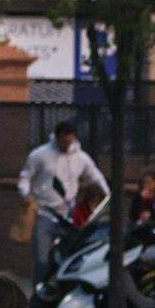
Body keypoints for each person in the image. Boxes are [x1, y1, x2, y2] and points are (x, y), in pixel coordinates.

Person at [18, 116, 106, 271]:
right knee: (42, 259)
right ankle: (40, 283)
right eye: (64, 141)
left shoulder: (81, 158)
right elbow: (25, 177)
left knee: (70, 256)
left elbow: (95, 176)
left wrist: (106, 193)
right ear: (57, 137)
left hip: (69, 215)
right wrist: (26, 194)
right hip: (45, 212)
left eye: (70, 141)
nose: (67, 145)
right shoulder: (39, 155)